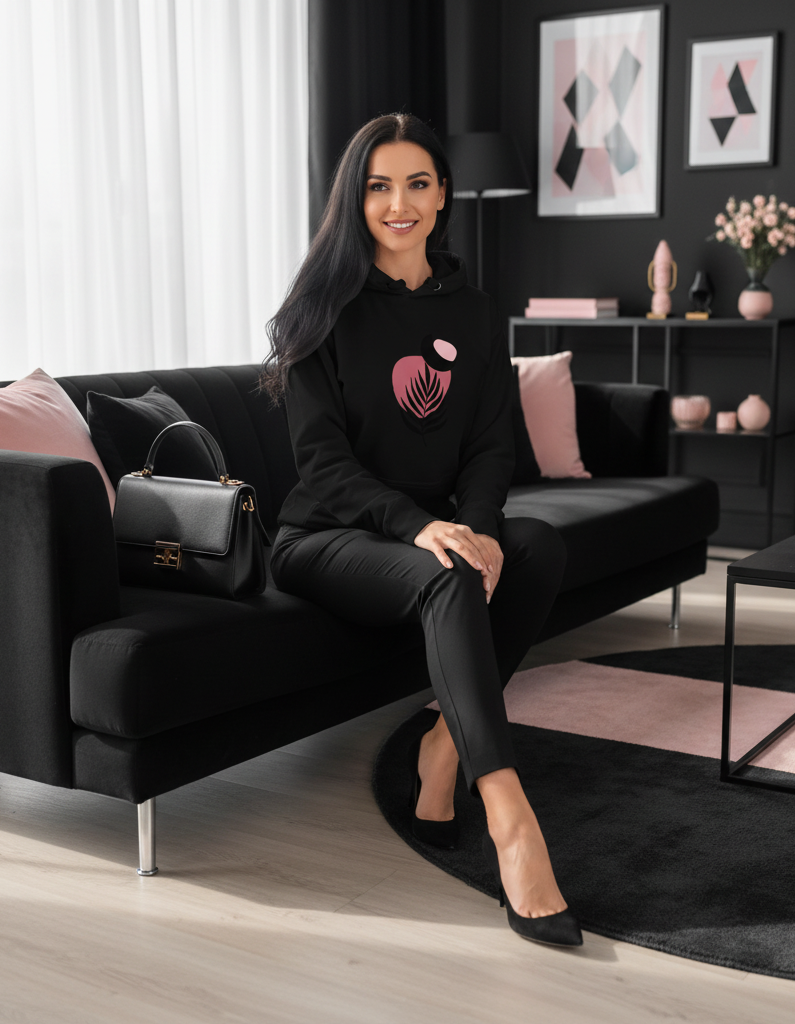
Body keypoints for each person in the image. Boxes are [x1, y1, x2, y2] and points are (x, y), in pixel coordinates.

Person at [263, 113, 581, 947]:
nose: (397, 203)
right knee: (449, 572)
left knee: (538, 545)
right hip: (326, 539)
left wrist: (473, 529)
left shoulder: (474, 311)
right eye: (377, 186)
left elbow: (489, 445)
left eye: (415, 183)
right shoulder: (316, 311)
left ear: (442, 195)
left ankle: (444, 744)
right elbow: (322, 464)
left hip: (429, 534)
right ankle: (510, 819)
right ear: (355, 198)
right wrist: (421, 529)